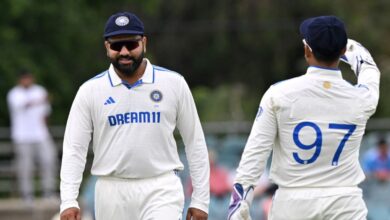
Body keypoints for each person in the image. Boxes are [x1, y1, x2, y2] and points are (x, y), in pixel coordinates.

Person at [60, 11, 210, 220]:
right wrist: (68, 200)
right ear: (106, 47)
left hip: (161, 187)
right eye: (116, 46)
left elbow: (195, 142)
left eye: (131, 45)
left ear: (144, 43)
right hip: (111, 191)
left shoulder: (173, 83)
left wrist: (201, 200)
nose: (124, 52)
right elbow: (74, 148)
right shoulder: (91, 90)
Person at [227, 15, 380, 220]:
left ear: (307, 50)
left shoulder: (278, 94)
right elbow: (369, 68)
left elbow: (255, 155)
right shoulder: (362, 97)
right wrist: (346, 45)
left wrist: (238, 209)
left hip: (293, 205)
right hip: (346, 203)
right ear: (342, 51)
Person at [7, 70, 57, 203]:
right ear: (20, 80)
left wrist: (46, 129)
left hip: (41, 134)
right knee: (25, 166)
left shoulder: (40, 90)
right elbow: (23, 105)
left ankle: (49, 191)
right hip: (22, 136)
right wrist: (39, 101)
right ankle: (27, 194)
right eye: (24, 79)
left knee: (49, 161)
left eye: (28, 78)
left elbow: (45, 113)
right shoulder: (14, 94)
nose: (27, 81)